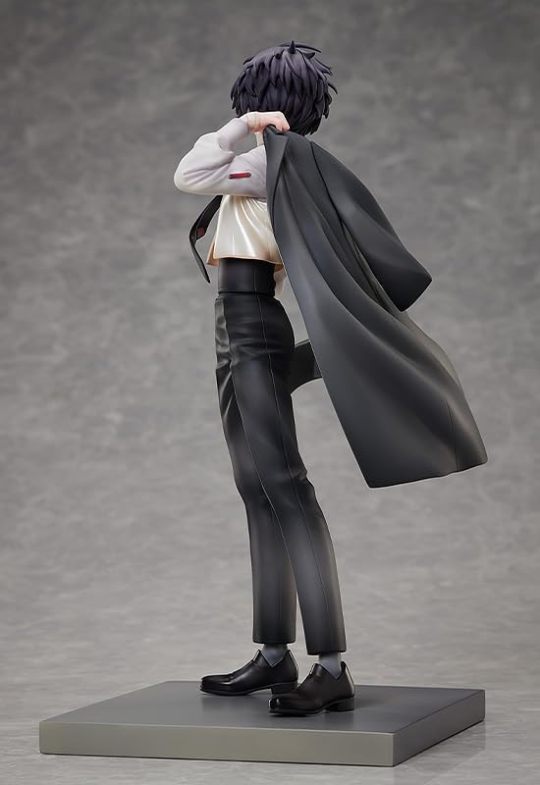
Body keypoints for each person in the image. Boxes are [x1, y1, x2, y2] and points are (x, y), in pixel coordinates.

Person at [173, 42, 355, 716]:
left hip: (252, 325)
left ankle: (330, 665)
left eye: (255, 100)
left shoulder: (266, 164)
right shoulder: (275, 163)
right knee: (256, 487)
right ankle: (275, 651)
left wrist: (242, 128)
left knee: (285, 488)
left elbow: (190, 174)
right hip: (236, 327)